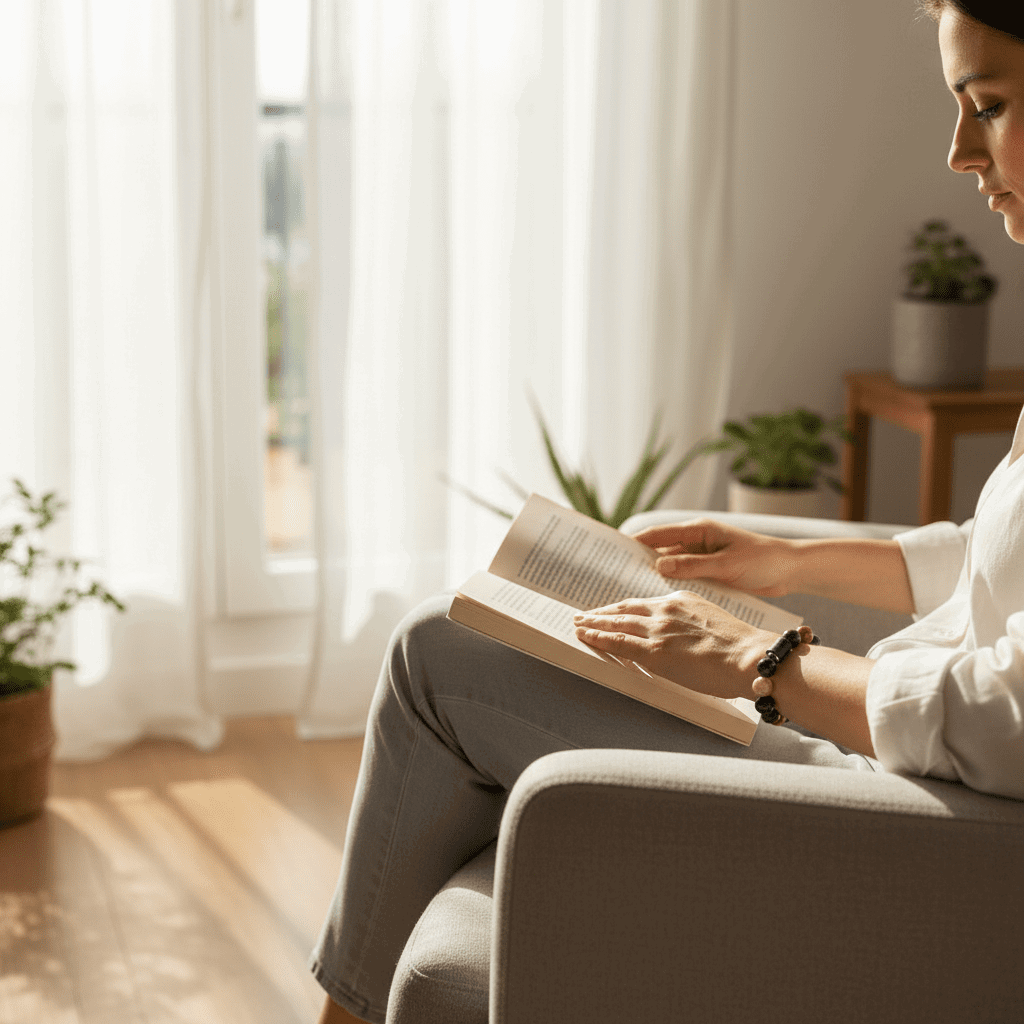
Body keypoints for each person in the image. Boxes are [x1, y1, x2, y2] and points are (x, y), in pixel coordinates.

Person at [311, 3, 1024, 1021]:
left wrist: (761, 664)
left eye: (987, 106)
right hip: (903, 758)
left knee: (437, 658)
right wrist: (782, 562)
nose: (957, 151)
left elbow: (1009, 724)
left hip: (929, 817)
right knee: (471, 646)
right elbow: (993, 566)